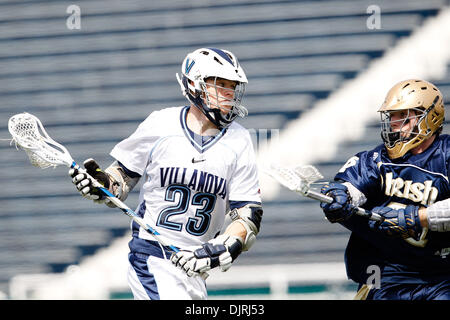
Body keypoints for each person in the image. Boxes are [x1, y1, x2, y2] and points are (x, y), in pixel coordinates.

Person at [68, 47, 263, 300]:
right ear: (194, 84)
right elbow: (120, 181)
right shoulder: (161, 124)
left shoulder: (240, 139)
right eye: (221, 84)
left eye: (232, 86)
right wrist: (102, 184)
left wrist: (225, 245)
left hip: (196, 266)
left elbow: (247, 216)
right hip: (153, 255)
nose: (229, 93)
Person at [319, 79, 450, 300]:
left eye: (403, 116)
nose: (394, 123)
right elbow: (351, 187)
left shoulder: (445, 156)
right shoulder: (376, 159)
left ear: (429, 117)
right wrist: (340, 196)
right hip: (385, 275)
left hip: (441, 277)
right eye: (392, 116)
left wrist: (417, 217)